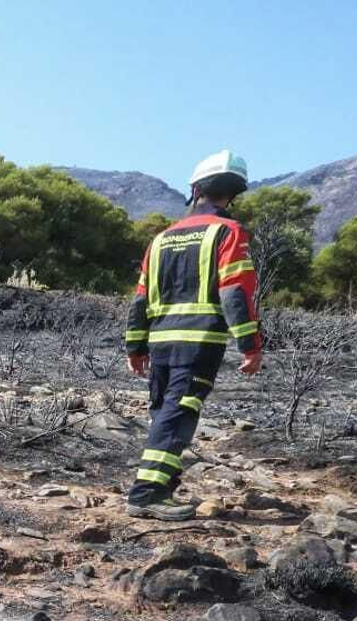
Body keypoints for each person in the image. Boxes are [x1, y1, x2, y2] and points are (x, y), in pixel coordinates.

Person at [123, 150, 263, 521]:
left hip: (160, 343)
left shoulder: (161, 238)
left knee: (163, 413)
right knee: (177, 415)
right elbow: (235, 291)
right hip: (198, 344)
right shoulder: (228, 232)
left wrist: (135, 346)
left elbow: (140, 298)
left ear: (196, 189)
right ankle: (147, 494)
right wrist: (249, 344)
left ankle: (160, 486)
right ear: (232, 193)